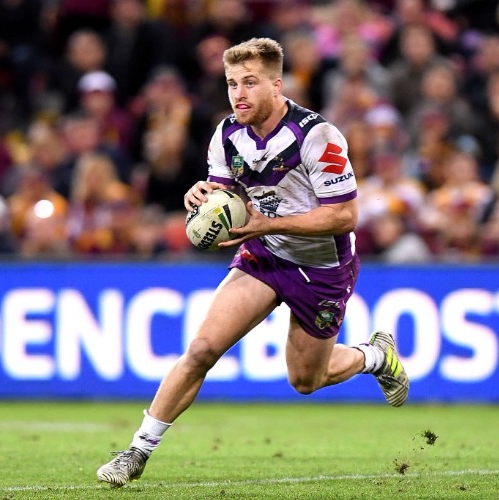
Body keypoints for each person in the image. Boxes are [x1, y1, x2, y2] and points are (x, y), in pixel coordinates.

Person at [96, 37, 409, 488]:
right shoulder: (227, 134)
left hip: (321, 267)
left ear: (277, 85)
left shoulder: (316, 135)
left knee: (306, 380)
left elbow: (344, 215)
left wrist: (265, 224)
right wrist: (200, 197)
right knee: (202, 350)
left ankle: (376, 356)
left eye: (249, 83)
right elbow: (222, 192)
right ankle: (136, 452)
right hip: (264, 254)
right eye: (231, 84)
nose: (238, 94)